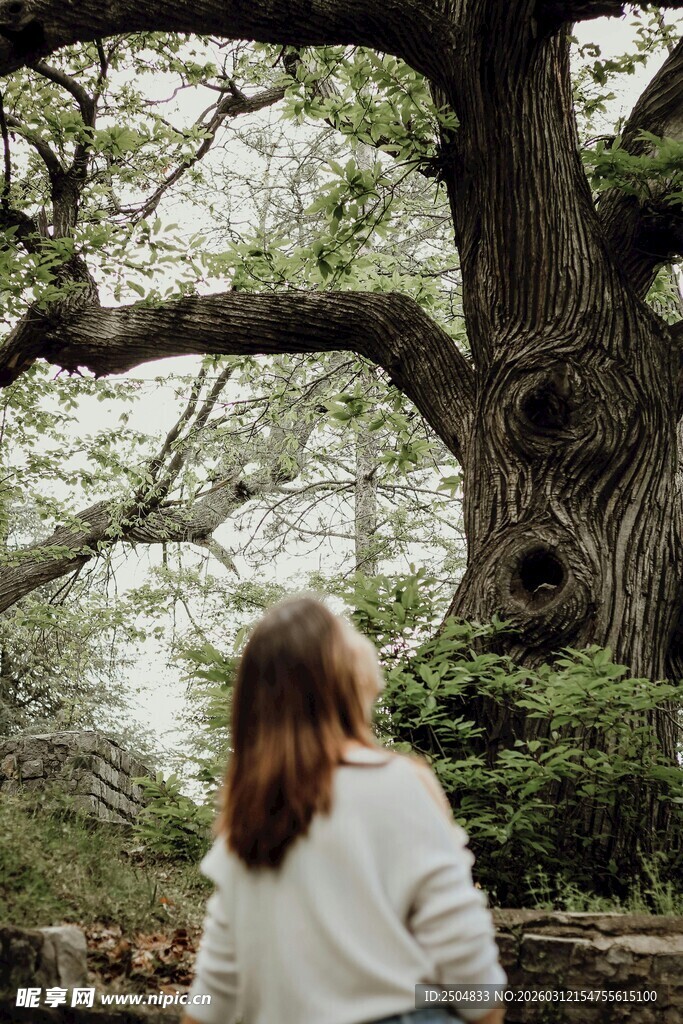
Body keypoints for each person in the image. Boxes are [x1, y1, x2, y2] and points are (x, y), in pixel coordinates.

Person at [181, 596, 506, 1024]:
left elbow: (215, 992)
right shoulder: (397, 783)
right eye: (347, 632)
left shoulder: (247, 819)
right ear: (335, 674)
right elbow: (465, 957)